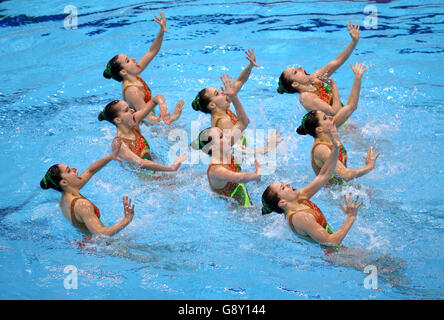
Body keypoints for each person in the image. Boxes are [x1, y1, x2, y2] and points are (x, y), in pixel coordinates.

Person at [261, 118, 361, 247]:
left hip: (338, 250)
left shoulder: (300, 198)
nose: (287, 185)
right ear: (283, 202)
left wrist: (335, 148)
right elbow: (331, 242)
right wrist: (351, 216)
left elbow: (324, 175)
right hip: (333, 257)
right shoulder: (300, 218)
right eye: (283, 188)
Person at [296, 62, 379, 185]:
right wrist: (369, 167)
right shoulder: (321, 149)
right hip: (334, 197)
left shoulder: (329, 129)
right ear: (319, 129)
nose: (330, 119)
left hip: (343, 189)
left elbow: (351, 106)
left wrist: (357, 77)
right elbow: (345, 175)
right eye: (325, 118)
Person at [40, 139, 134, 236]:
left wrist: (111, 156)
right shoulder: (82, 205)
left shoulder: (66, 196)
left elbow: (90, 171)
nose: (74, 169)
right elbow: (101, 234)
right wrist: (126, 219)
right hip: (100, 247)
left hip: (86, 244)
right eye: (69, 171)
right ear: (64, 182)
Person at [103, 12, 183, 125]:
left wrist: (161, 31)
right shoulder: (133, 91)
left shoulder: (134, 73)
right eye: (128, 60)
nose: (134, 59)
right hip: (148, 129)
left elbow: (152, 51)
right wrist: (174, 117)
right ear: (123, 71)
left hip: (154, 122)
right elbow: (148, 118)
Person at [196, 75, 261, 207]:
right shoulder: (216, 170)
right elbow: (240, 178)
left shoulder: (225, 148)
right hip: (239, 212)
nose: (227, 136)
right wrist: (257, 175)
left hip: (243, 197)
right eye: (221, 136)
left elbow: (244, 122)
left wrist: (234, 97)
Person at [277, 21, 360, 116]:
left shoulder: (315, 79)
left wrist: (353, 42)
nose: (300, 68)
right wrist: (333, 85)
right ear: (295, 83)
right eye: (295, 72)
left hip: (345, 121)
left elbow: (337, 61)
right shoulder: (306, 97)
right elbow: (334, 112)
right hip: (335, 128)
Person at [98, 97, 186, 172]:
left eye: (129, 107)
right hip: (148, 182)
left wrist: (163, 106)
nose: (132, 110)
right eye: (126, 110)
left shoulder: (133, 123)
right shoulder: (119, 144)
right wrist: (171, 168)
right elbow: (140, 163)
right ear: (118, 120)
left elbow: (155, 99)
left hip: (158, 172)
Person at [192, 49, 259, 147]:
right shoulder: (223, 122)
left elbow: (240, 81)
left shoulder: (222, 106)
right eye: (217, 94)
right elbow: (236, 149)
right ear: (212, 105)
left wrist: (250, 66)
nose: (223, 93)